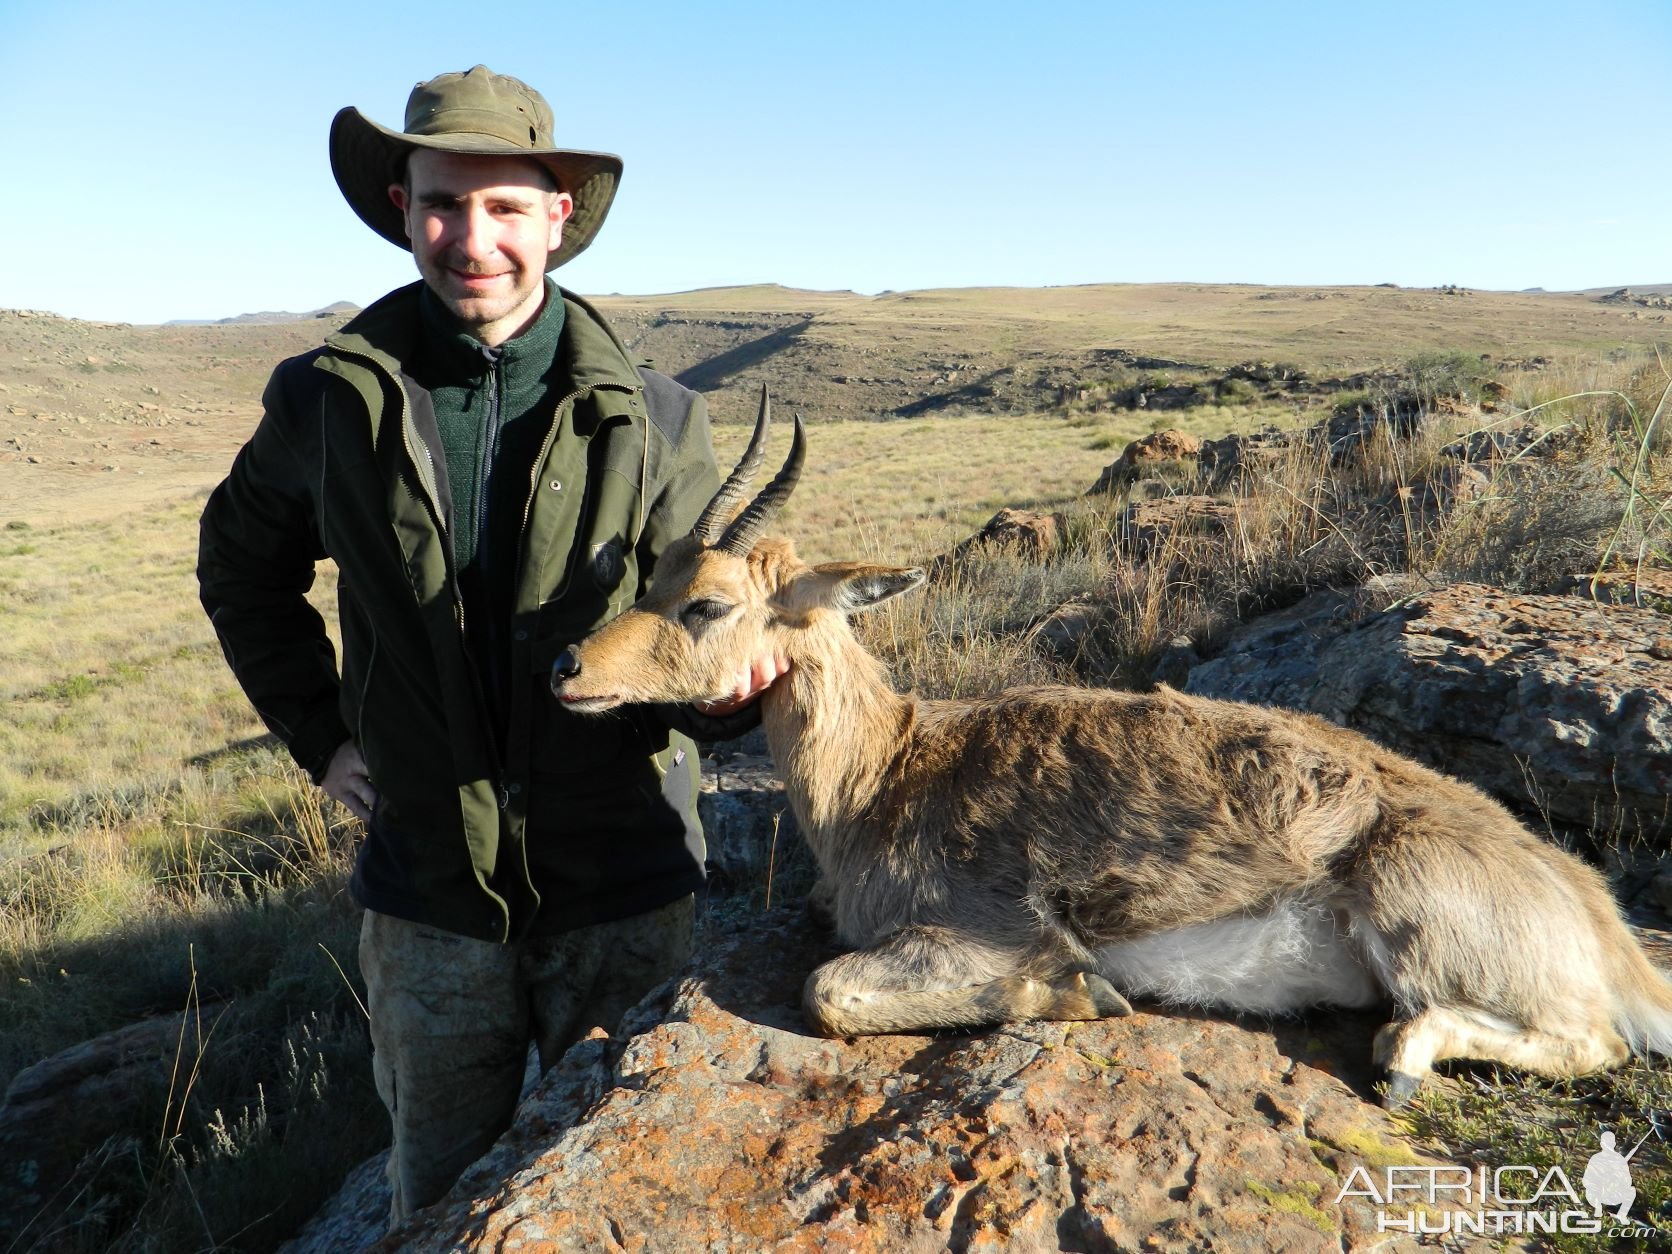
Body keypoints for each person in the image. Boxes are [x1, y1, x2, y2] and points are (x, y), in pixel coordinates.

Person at [197, 65, 783, 1222]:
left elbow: (689, 638)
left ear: (558, 217)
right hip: (427, 901)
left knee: (629, 1193)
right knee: (439, 1193)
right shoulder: (325, 399)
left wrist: (727, 701)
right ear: (401, 208)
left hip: (624, 883)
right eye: (442, 204)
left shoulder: (657, 418)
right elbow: (240, 570)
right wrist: (322, 738)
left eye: (506, 206)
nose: (473, 238)